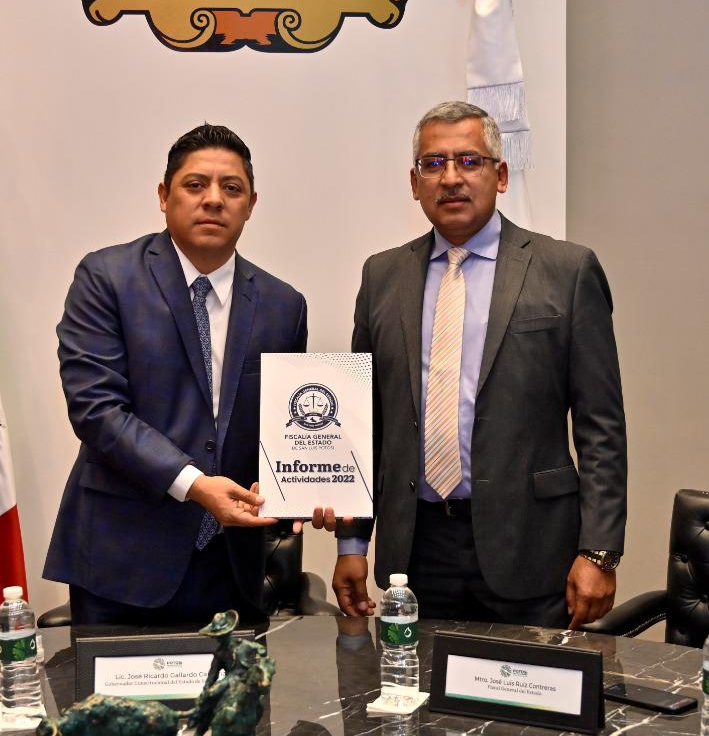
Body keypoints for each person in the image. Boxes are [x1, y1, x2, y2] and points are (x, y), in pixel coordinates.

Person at [316, 100, 626, 630]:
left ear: (500, 176)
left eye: (469, 161)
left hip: (530, 546)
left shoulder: (567, 270)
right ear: (414, 183)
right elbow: (368, 424)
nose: (451, 178)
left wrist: (599, 552)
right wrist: (352, 543)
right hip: (417, 551)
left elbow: (602, 428)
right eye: (433, 164)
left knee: (527, 684)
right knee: (411, 683)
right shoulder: (382, 276)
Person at [43, 124, 307, 626]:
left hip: (232, 566)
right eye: (195, 185)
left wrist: (313, 489)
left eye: (232, 188)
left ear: (251, 205)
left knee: (235, 683)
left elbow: (290, 429)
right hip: (123, 561)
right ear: (164, 196)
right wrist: (195, 484)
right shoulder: (106, 278)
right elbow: (96, 410)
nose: (214, 200)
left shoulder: (283, 304)